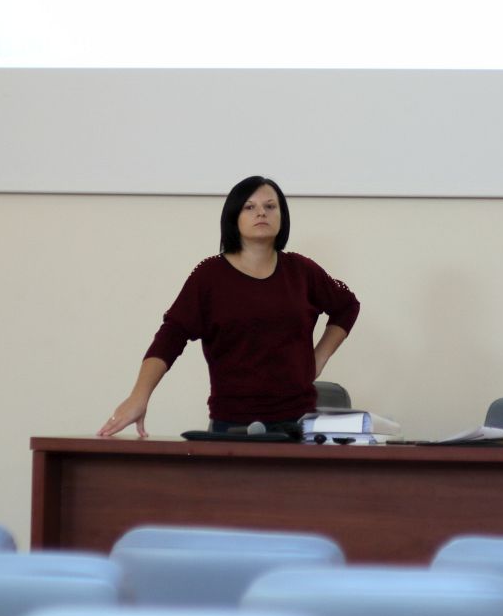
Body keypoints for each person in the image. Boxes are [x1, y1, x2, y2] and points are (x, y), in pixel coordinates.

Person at [98, 176, 359, 437]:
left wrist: (319, 358)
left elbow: (347, 305)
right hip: (231, 426)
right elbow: (171, 336)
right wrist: (139, 396)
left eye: (270, 206)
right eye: (249, 207)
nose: (261, 213)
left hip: (297, 423)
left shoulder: (301, 270)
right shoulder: (209, 275)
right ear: (234, 217)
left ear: (282, 216)